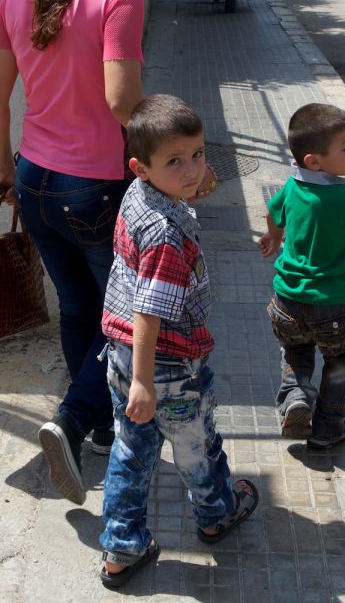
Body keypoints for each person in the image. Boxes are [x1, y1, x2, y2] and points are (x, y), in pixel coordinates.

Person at [0, 0, 150, 507]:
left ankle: (100, 426)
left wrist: (3, 166)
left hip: (34, 179)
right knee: (128, 318)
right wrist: (171, 154)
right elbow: (120, 102)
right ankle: (74, 420)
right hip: (97, 187)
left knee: (81, 308)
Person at [98, 95, 259, 589]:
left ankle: (121, 549)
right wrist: (146, 383)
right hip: (166, 370)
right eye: (175, 162)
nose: (192, 170)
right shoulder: (169, 234)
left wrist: (186, 184)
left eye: (197, 154)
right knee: (197, 447)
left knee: (130, 451)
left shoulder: (137, 196)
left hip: (122, 356)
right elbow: (149, 308)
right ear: (141, 167)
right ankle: (216, 514)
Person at [259, 104, 345, 449]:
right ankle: (327, 426)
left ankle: (295, 396)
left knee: (297, 350)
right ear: (313, 160)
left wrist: (274, 237)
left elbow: (272, 212)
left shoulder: (293, 186)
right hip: (333, 306)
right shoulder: (340, 196)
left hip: (287, 300)